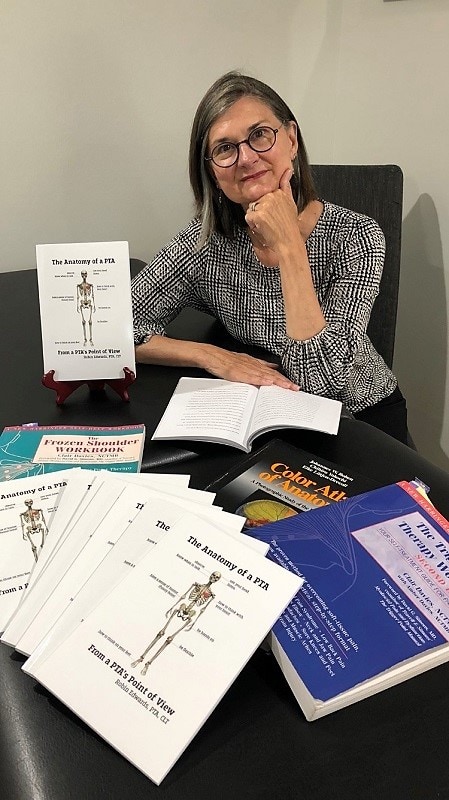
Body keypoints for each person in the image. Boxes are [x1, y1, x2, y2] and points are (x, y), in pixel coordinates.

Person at [132, 71, 408, 444]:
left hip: (359, 417)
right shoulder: (205, 242)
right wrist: (212, 357)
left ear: (291, 140)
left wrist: (289, 244)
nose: (246, 158)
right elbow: (114, 333)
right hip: (268, 414)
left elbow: (321, 383)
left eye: (260, 134)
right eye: (225, 148)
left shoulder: (357, 236)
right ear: (213, 173)